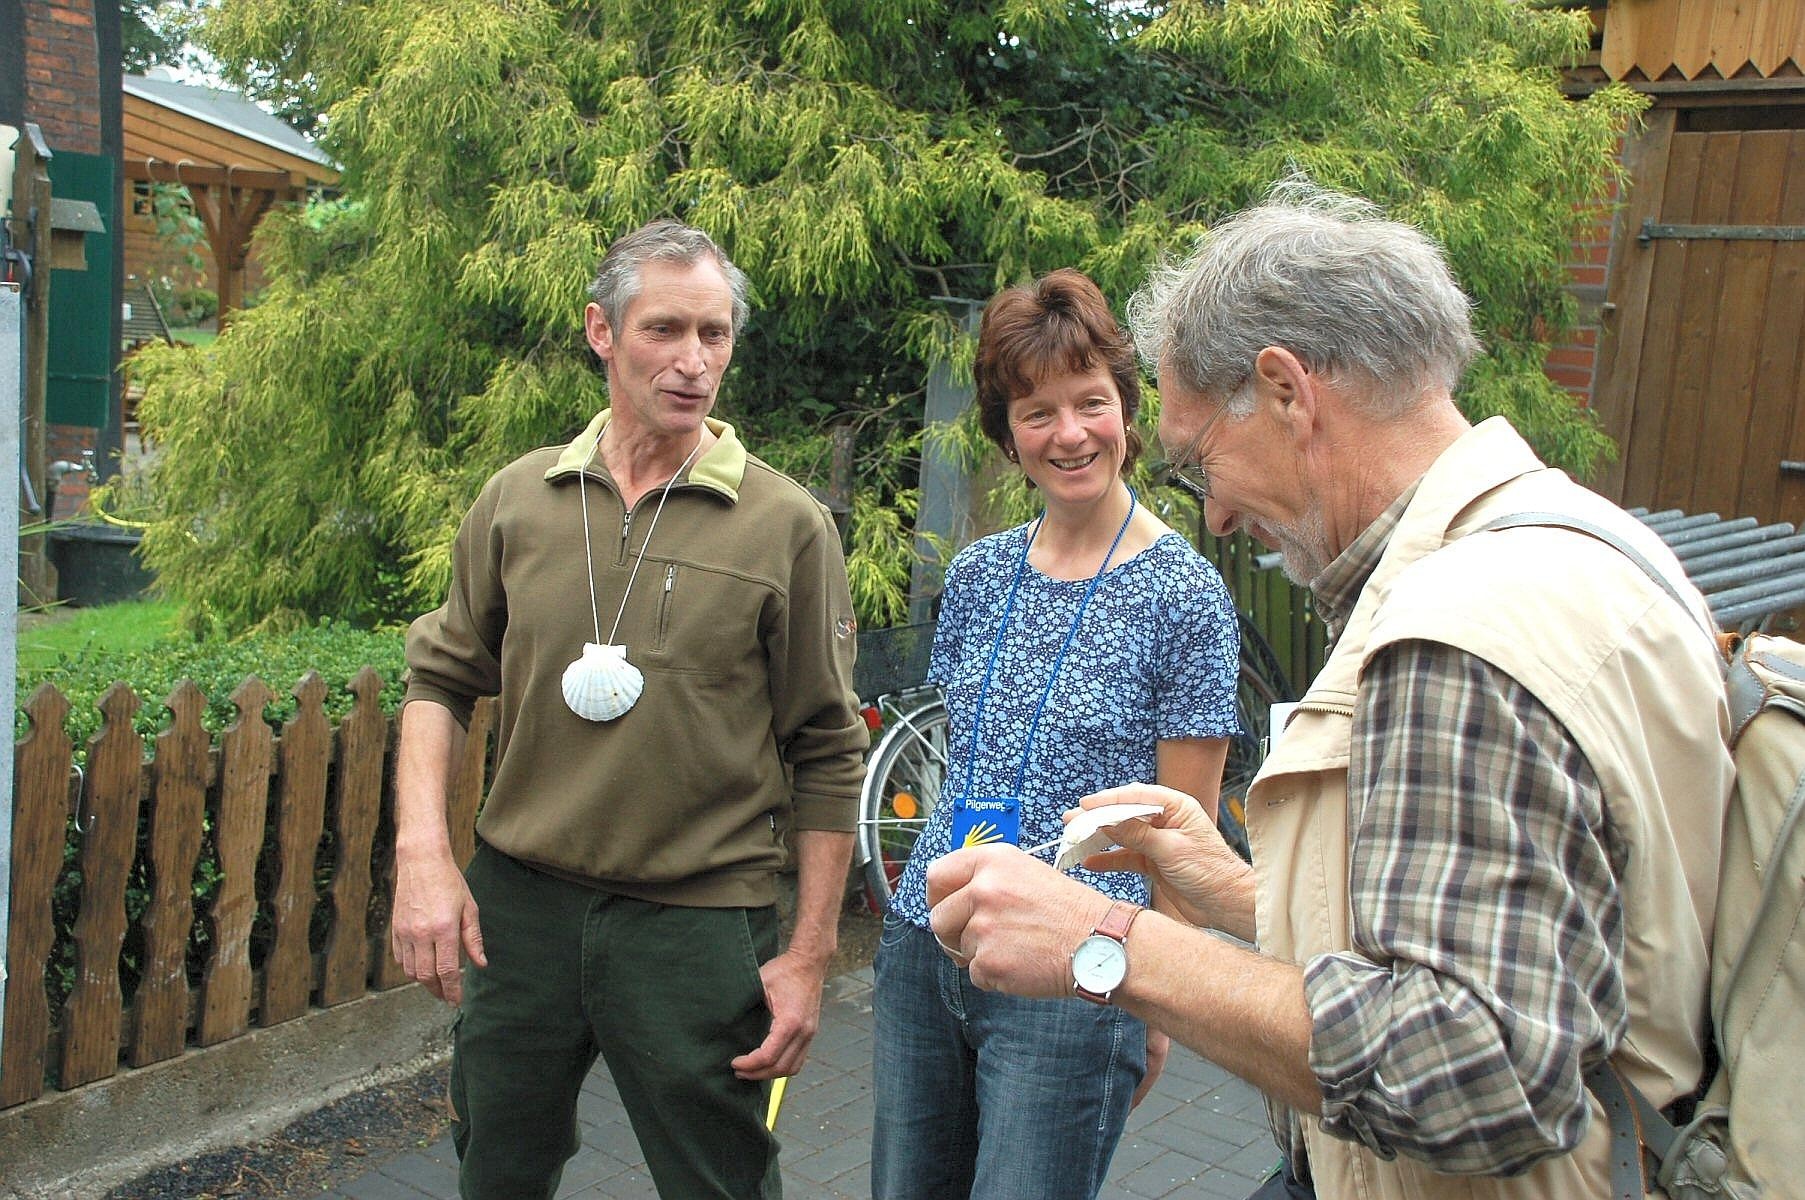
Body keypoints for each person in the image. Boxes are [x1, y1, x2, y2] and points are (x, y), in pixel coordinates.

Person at [923, 184, 1735, 1198]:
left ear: (1284, 392)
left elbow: (1471, 1069)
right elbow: (1524, 931)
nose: (1212, 517)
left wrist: (1108, 943)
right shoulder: (1581, 538)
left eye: (1200, 463)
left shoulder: (1456, 635)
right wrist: (1226, 889)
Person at [391, 219, 868, 1199]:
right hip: (520, 910)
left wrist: (809, 953)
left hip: (695, 922)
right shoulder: (518, 501)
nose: (694, 362)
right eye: (664, 330)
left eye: (715, 334)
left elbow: (825, 748)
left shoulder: (786, 527)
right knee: (496, 1166)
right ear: (601, 333)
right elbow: (439, 681)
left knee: (719, 1180)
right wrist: (423, 859)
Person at [870, 269, 1241, 1200]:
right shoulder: (981, 573)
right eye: (1037, 412)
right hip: (926, 939)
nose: (1069, 434)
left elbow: (1184, 828)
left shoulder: (1184, 595)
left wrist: (1161, 997)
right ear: (1007, 435)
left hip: (1077, 965)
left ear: (1126, 409)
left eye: (1091, 402)